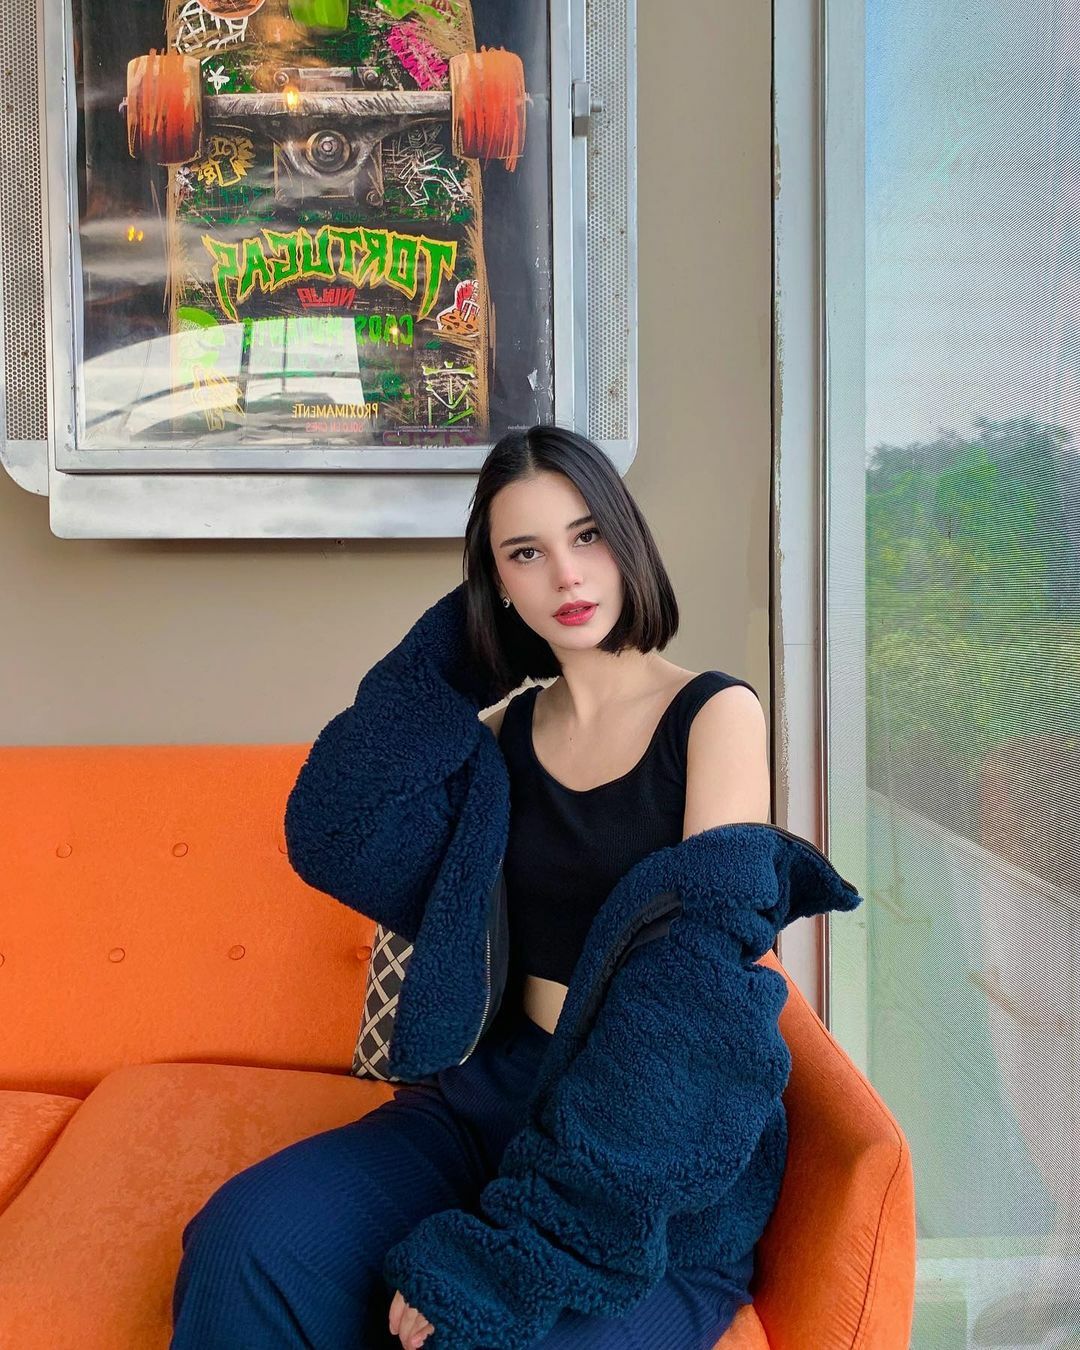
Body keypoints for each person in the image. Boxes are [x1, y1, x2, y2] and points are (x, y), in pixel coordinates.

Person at [169, 426, 828, 1350]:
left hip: (645, 1139)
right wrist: (466, 654)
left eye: (587, 536)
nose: (567, 575)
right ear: (497, 581)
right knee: (248, 1241)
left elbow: (692, 1004)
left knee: (481, 1335)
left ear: (628, 541)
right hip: (488, 1101)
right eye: (526, 553)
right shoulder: (501, 735)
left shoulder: (714, 715)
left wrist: (500, 1261)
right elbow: (336, 829)